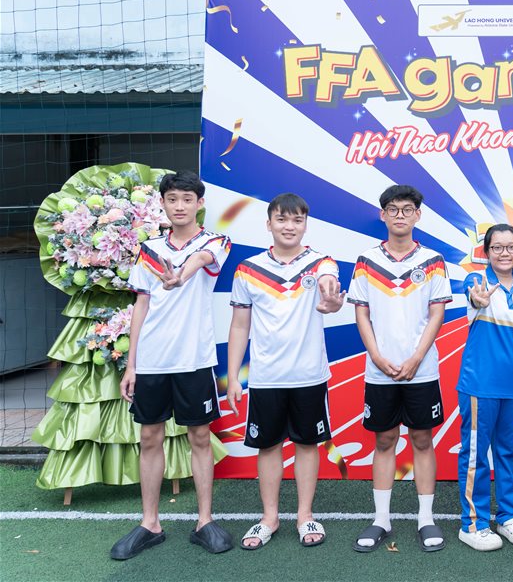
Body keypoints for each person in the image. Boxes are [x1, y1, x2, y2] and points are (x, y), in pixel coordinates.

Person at [112, 170, 233, 561]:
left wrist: (180, 275)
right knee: (150, 437)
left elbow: (201, 259)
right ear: (162, 203)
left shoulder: (215, 241)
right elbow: (141, 304)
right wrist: (131, 365)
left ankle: (204, 521)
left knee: (200, 437)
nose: (179, 206)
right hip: (152, 361)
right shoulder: (148, 250)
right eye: (172, 199)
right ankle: (150, 523)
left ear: (200, 203)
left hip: (194, 359)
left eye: (187, 199)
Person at [226, 193, 344, 550]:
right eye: (282, 219)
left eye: (297, 220)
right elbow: (239, 325)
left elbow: (329, 283)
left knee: (307, 445)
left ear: (305, 225)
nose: (289, 227)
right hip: (266, 377)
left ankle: (305, 516)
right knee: (269, 446)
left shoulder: (321, 262)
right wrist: (233, 377)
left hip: (309, 375)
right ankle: (269, 518)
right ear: (269, 224)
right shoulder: (248, 269)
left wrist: (331, 299)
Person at [346, 185, 452, 553]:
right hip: (381, 371)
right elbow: (361, 312)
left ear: (418, 215)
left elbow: (437, 313)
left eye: (408, 209)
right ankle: (381, 519)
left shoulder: (433, 260)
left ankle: (426, 519)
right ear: (383, 214)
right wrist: (376, 356)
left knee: (422, 440)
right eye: (393, 209)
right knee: (385, 440)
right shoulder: (366, 260)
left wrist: (416, 357)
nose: (400, 215)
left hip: (422, 370)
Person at [457, 224, 513, 551]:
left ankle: (509, 516)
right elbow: (473, 294)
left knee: (508, 453)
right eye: (497, 247)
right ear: (486, 252)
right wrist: (477, 297)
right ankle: (473, 523)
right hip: (481, 383)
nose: (504, 253)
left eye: (511, 247)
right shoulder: (476, 280)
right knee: (476, 455)